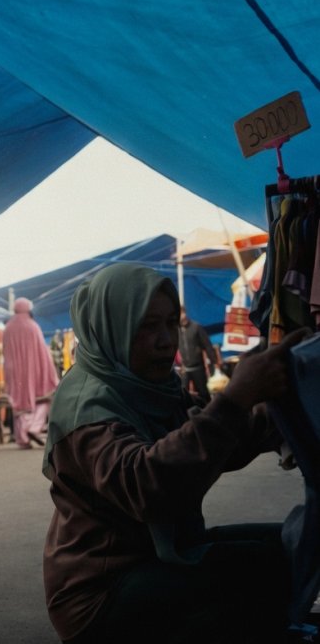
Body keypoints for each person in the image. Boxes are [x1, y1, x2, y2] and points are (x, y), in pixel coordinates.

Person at [42, 262, 311, 644]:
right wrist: (235, 399)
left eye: (171, 323)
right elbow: (148, 487)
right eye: (148, 326)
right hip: (101, 593)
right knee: (263, 570)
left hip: (158, 554)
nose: (166, 340)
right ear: (113, 326)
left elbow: (208, 441)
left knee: (292, 543)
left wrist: (286, 414)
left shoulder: (154, 386)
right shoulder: (85, 410)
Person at [3, 297, 59, 448]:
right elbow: (43, 352)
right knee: (43, 399)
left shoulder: (8, 327)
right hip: (34, 371)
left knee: (18, 403)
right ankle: (34, 427)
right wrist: (49, 372)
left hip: (14, 373)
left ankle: (22, 439)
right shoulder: (32, 326)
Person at [178, 305, 218, 402]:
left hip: (198, 367)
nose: (183, 316)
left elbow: (207, 346)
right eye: (180, 314)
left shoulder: (196, 327)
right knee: (184, 394)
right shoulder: (176, 330)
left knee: (203, 393)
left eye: (183, 312)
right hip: (185, 369)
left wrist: (215, 363)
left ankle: (206, 411)